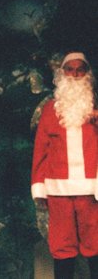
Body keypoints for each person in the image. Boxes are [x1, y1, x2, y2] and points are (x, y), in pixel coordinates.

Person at [31, 52, 98, 279]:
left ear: (87, 74)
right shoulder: (50, 109)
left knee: (95, 241)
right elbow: (41, 150)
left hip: (91, 189)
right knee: (62, 245)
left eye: (80, 69)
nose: (75, 74)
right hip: (58, 188)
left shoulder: (95, 108)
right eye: (70, 69)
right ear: (62, 74)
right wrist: (38, 186)